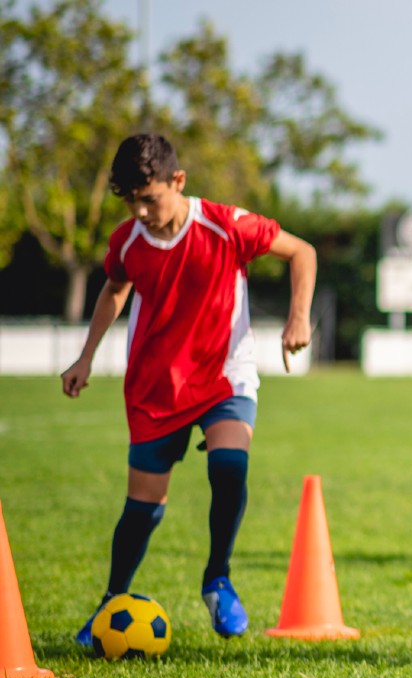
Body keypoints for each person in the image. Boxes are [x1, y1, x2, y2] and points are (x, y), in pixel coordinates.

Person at [61, 132, 316, 644]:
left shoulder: (226, 224)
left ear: (177, 182)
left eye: (149, 198)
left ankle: (217, 579)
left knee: (229, 465)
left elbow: (301, 252)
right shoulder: (127, 242)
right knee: (144, 507)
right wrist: (85, 356)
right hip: (156, 388)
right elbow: (114, 290)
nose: (140, 211)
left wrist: (298, 317)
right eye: (130, 201)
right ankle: (112, 601)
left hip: (225, 375)